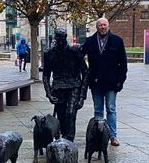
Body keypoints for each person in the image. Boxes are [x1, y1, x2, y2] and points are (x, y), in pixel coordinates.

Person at [81, 17, 127, 146]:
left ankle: (113, 136)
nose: (102, 27)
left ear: (108, 26)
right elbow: (80, 55)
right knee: (98, 110)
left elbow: (123, 63)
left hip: (112, 83)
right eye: (100, 25)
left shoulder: (117, 41)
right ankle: (98, 135)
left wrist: (120, 81)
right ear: (97, 27)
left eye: (105, 25)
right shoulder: (90, 41)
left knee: (111, 109)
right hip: (96, 82)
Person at [42, 28, 88, 141]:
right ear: (55, 38)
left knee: (71, 112)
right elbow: (45, 76)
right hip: (58, 87)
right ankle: (64, 137)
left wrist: (82, 96)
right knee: (61, 115)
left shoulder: (75, 52)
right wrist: (49, 94)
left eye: (63, 38)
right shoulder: (49, 54)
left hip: (74, 86)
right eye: (58, 38)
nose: (61, 40)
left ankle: (69, 139)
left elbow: (85, 73)